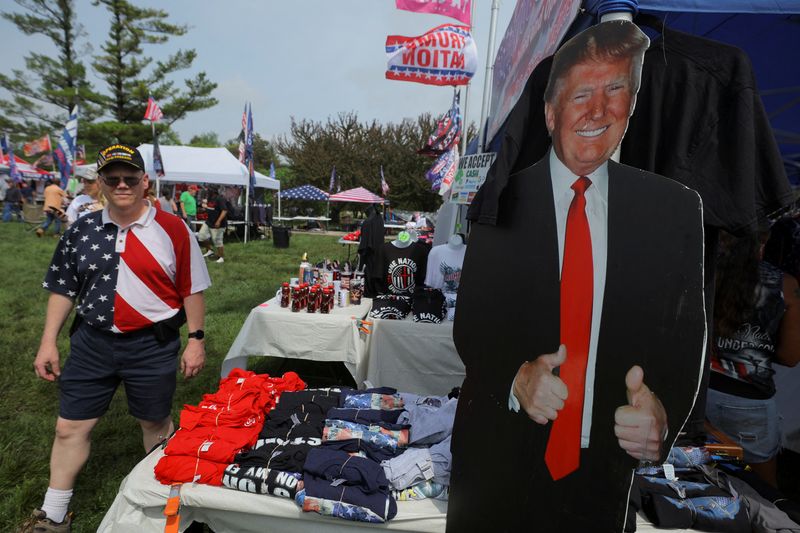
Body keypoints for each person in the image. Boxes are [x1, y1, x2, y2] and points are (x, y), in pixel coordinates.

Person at [447, 21, 706, 532]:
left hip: (604, 480)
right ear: (550, 112)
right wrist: (516, 377)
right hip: (498, 466)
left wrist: (663, 413)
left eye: (615, 90)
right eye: (581, 93)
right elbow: (472, 325)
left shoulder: (674, 212)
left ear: (631, 105)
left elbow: (686, 341)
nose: (597, 110)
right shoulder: (501, 202)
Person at [23, 144, 211, 532]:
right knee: (69, 427)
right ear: (101, 183)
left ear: (145, 182)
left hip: (152, 344)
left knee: (155, 424)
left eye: (129, 177)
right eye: (112, 178)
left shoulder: (173, 228)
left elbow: (192, 288)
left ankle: (166, 509)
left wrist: (196, 339)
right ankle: (54, 513)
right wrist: (47, 341)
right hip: (92, 343)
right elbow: (63, 289)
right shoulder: (81, 230)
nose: (121, 184)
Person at [706, 229, 800, 487]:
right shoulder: (787, 286)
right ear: (765, 241)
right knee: (763, 492)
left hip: (702, 393)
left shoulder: (707, 269)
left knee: (705, 472)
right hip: (749, 404)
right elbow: (791, 357)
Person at [198, 187, 232, 263]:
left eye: (208, 191)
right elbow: (211, 208)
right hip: (209, 222)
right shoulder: (210, 199)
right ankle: (210, 250)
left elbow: (224, 210)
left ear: (213, 192)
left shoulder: (220, 199)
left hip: (219, 224)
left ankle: (221, 257)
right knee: (201, 236)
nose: (207, 193)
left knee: (217, 240)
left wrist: (218, 221)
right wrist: (203, 209)